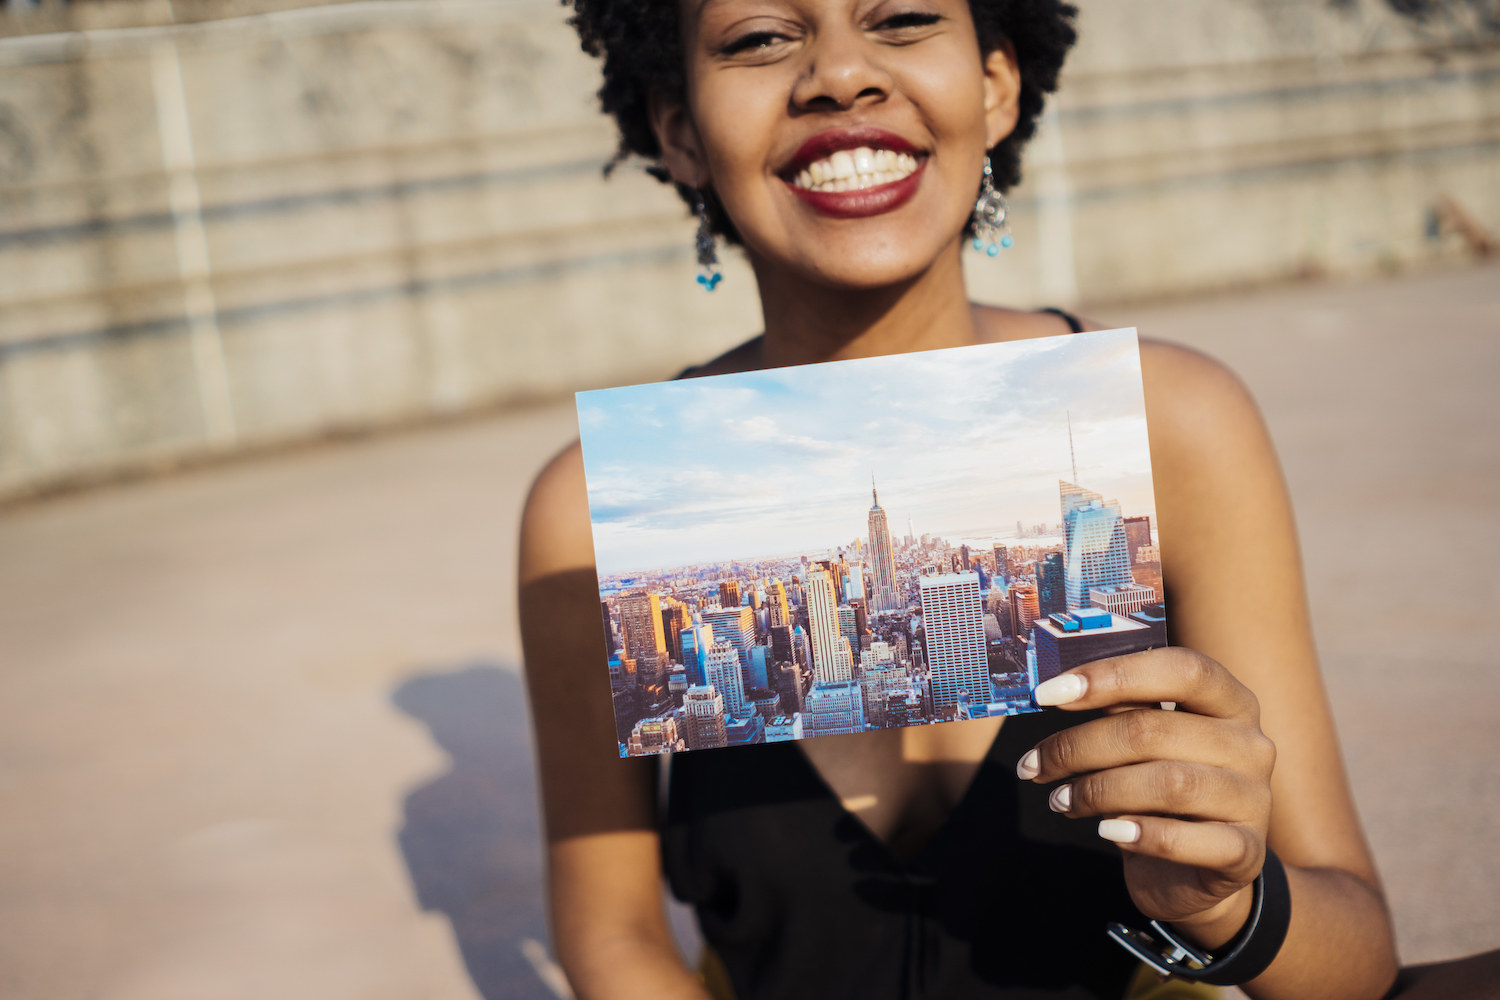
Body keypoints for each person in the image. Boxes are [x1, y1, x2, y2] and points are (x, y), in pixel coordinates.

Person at [517, 1, 1402, 997]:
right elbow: (615, 939)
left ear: (994, 85)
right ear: (679, 128)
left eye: (900, 17)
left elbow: (1358, 959)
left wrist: (1232, 902)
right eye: (761, 36)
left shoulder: (1181, 424)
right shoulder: (585, 514)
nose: (841, 74)